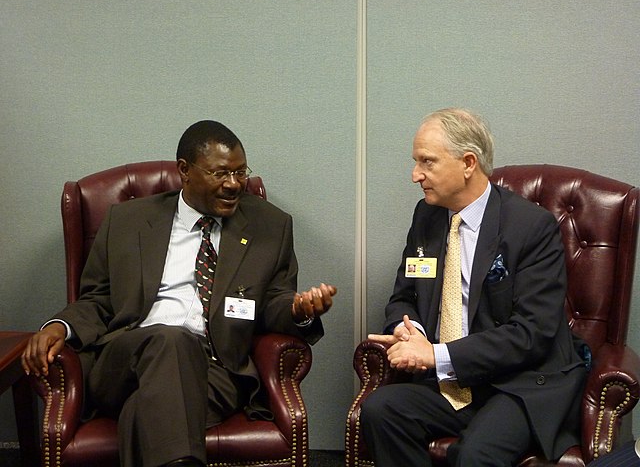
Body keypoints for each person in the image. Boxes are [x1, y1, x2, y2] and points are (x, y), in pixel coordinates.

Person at [21, 120, 337, 467]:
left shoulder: (269, 225)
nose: (234, 184)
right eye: (220, 174)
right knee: (172, 340)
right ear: (185, 171)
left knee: (143, 411)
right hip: (125, 358)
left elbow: (275, 300)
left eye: (240, 172)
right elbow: (97, 299)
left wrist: (299, 310)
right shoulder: (128, 221)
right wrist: (58, 327)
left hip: (215, 370)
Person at [360, 108, 588, 466]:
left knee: (473, 456)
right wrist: (411, 332)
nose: (415, 175)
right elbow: (403, 295)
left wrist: (434, 355)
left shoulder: (531, 227)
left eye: (427, 162)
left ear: (468, 162)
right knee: (379, 411)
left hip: (519, 382)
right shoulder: (427, 216)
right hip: (453, 383)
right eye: (415, 161)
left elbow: (532, 333)